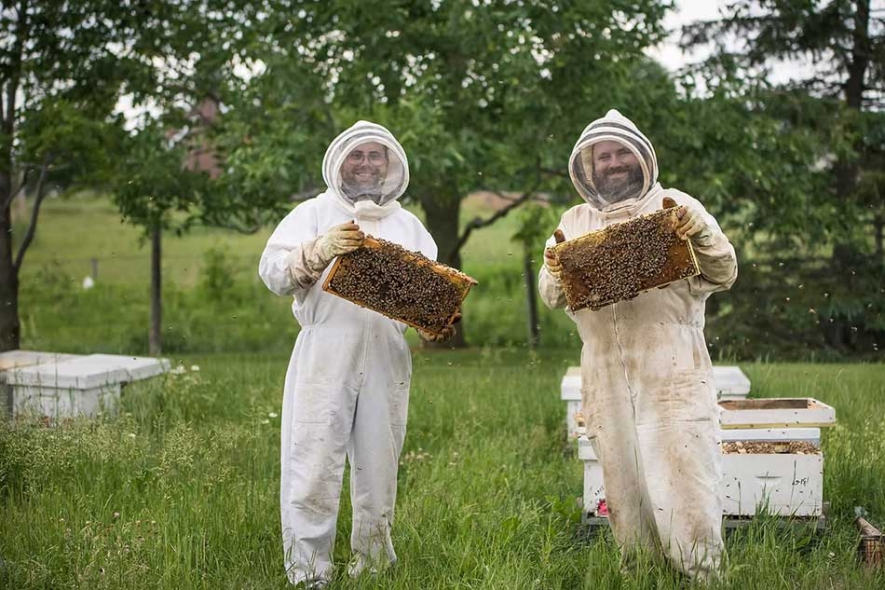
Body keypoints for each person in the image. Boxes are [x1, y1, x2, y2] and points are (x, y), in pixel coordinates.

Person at [539, 109, 738, 582]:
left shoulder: (675, 204)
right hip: (604, 371)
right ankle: (643, 576)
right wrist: (553, 264)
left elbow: (724, 272)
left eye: (621, 152)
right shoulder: (574, 219)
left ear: (641, 156)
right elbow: (552, 295)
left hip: (672, 368)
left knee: (684, 480)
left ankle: (702, 577)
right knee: (625, 487)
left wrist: (701, 233)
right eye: (602, 156)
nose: (612, 162)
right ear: (587, 166)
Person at [259, 121, 455, 587]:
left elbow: (429, 294)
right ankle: (309, 574)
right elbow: (272, 272)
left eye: (376, 156)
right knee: (312, 463)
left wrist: (439, 317)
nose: (367, 164)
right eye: (357, 156)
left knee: (379, 468)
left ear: (390, 165)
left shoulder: (409, 226)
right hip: (325, 351)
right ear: (339, 162)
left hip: (388, 354)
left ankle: (373, 569)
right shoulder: (312, 213)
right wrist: (317, 250)